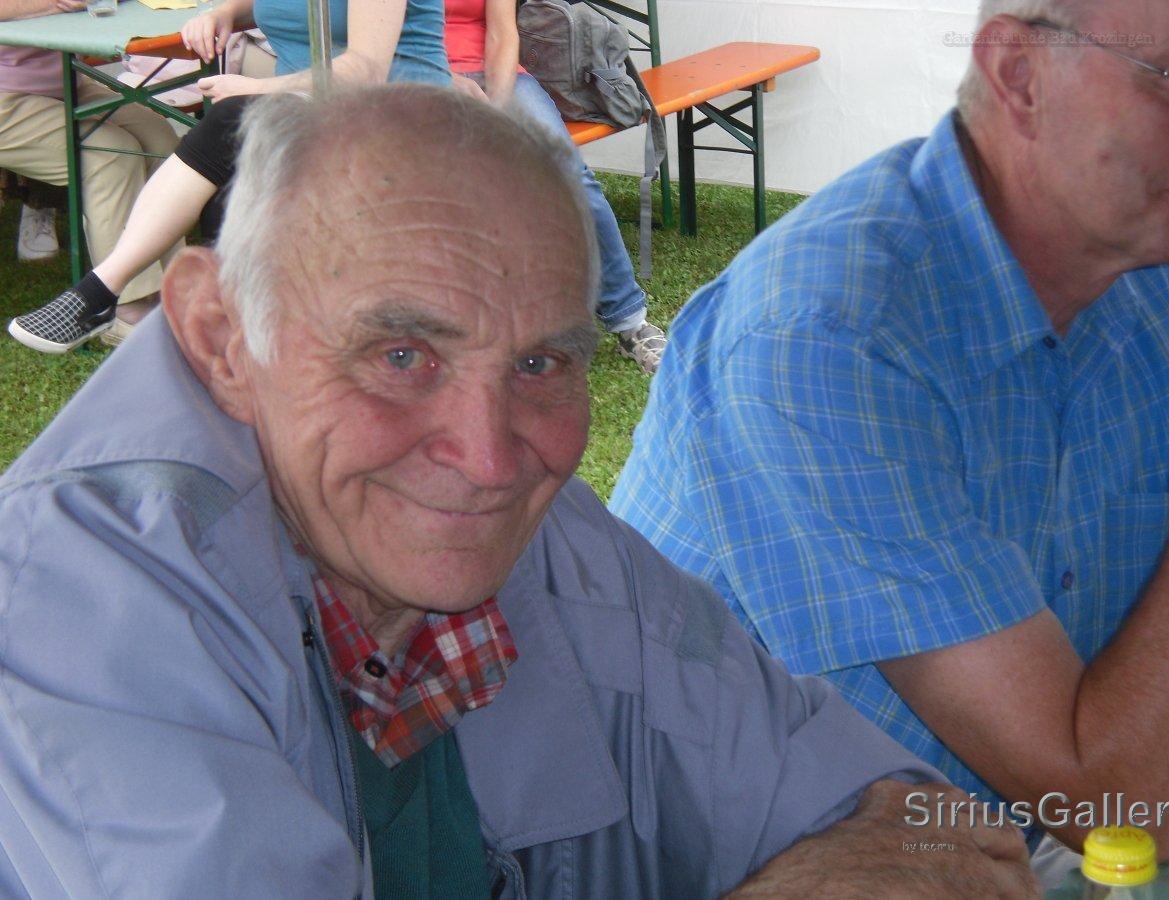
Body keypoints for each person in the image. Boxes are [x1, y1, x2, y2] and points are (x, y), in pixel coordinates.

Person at [0, 84, 1037, 898]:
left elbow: (913, 823)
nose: (493, 460)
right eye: (400, 354)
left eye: (541, 362)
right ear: (222, 335)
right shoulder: (72, 599)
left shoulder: (549, 540)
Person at [611, 0, 1169, 860]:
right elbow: (1114, 812)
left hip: (980, 836)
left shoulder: (1146, 264)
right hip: (755, 864)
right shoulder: (828, 339)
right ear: (1021, 75)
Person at [6, 0, 447, 353]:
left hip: (395, 116)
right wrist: (225, 14)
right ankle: (234, 347)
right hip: (309, 120)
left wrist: (257, 88)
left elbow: (364, 70)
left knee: (231, 119)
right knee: (223, 202)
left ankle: (99, 293)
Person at [446, 0, 667, 373]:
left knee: (569, 176)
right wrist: (444, 80)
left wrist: (497, 109)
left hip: (498, 74)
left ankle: (630, 322)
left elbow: (502, 32)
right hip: (418, 77)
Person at [0, 0, 181, 347]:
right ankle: (125, 307)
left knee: (159, 139)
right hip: (8, 93)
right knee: (109, 157)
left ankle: (174, 289)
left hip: (60, 81)